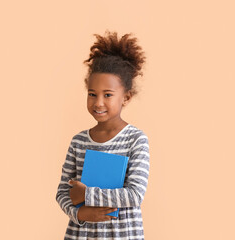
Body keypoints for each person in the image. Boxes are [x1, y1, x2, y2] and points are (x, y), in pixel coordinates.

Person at [56, 30, 150, 240]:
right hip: (81, 234)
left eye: (108, 95)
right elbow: (63, 192)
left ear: (125, 98)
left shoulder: (135, 140)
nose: (98, 102)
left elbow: (135, 195)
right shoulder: (79, 141)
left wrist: (88, 195)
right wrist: (79, 213)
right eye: (92, 94)